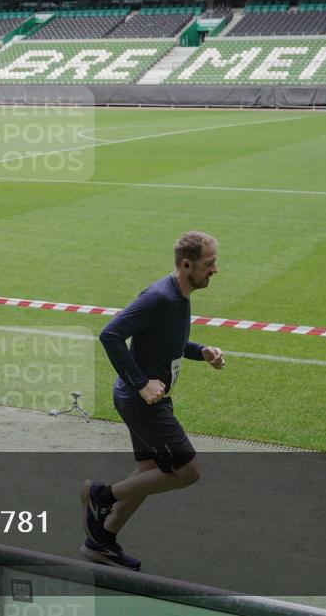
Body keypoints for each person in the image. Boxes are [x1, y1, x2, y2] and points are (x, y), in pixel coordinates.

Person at [82, 231, 225, 570]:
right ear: (186, 265)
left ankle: (99, 542)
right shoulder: (160, 297)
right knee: (186, 470)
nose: (215, 270)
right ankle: (100, 495)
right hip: (141, 399)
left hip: (147, 398)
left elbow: (168, 343)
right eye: (209, 264)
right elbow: (110, 335)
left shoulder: (180, 295)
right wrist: (142, 383)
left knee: (149, 470)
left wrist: (200, 351)